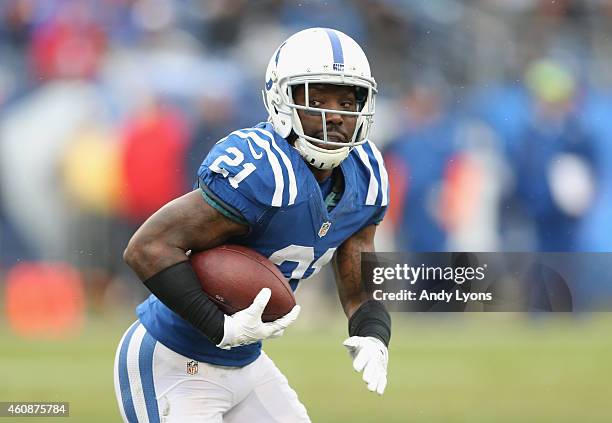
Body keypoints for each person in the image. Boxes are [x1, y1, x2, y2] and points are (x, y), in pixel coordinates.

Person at [113, 27, 391, 423]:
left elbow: (359, 278)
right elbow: (147, 247)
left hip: (247, 367)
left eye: (347, 101)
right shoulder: (262, 171)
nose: (335, 117)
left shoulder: (366, 174)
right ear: (281, 100)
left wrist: (373, 332)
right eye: (317, 100)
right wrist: (219, 327)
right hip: (173, 363)